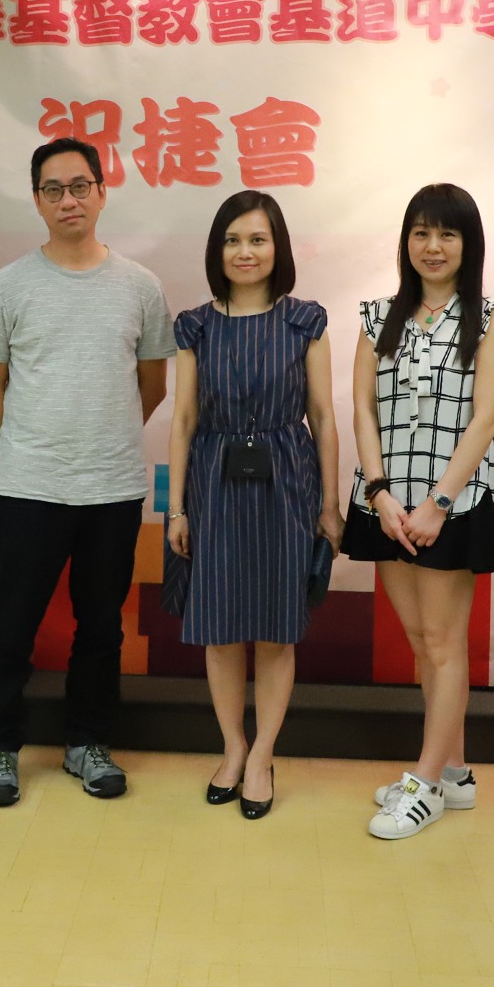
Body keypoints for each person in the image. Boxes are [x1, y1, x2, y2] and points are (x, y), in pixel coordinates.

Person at [0, 137, 176, 807]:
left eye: (80, 186)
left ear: (102, 192)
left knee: (101, 626)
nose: (69, 200)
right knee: (11, 623)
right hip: (28, 484)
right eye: (53, 189)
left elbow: (152, 384)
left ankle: (88, 743)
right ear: (37, 200)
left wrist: (102, 430)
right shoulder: (9, 286)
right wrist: (28, 441)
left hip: (112, 487)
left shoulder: (140, 286)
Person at [346, 183, 494, 841]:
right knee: (422, 642)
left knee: (444, 645)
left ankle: (423, 783)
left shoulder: (491, 316)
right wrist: (379, 493)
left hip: (454, 504)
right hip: (387, 506)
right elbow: (363, 410)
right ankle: (455, 772)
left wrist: (439, 502)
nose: (433, 246)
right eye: (421, 232)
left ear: (468, 244)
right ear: (405, 242)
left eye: (447, 233)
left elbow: (488, 416)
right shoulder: (375, 316)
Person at [166, 191, 340, 820]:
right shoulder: (195, 325)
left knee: (274, 629)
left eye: (258, 239)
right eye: (233, 240)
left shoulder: (305, 321)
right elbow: (183, 420)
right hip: (212, 484)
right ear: (218, 250)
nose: (245, 252)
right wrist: (176, 509)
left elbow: (322, 416)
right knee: (218, 630)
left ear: (277, 247)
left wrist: (329, 504)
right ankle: (232, 747)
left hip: (286, 481)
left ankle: (263, 754)